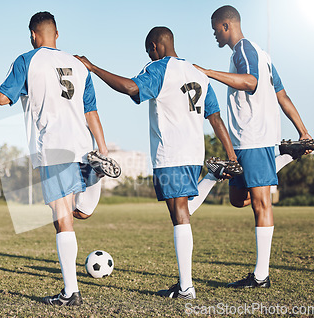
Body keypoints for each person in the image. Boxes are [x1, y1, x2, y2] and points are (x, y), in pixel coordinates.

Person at [0, 11, 114, 306]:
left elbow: (4, 98)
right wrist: (103, 148)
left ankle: (71, 293)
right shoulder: (78, 65)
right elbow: (90, 110)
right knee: (79, 212)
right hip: (84, 145)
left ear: (33, 35)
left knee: (63, 219)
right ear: (57, 34)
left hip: (53, 147)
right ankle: (97, 173)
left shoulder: (27, 60)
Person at [75, 26, 238, 299]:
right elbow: (215, 118)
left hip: (171, 153)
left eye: (148, 51)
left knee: (180, 215)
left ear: (154, 46)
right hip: (193, 153)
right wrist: (231, 155)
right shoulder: (199, 73)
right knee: (181, 211)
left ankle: (186, 287)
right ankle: (211, 176)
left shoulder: (160, 69)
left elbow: (130, 87)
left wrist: (92, 67)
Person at [193, 5, 314, 288]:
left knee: (261, 203)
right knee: (238, 199)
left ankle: (261, 276)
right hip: (244, 142)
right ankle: (285, 155)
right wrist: (303, 132)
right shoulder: (263, 55)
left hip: (255, 139)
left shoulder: (244, 51)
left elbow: (251, 82)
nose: (214, 35)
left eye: (215, 29)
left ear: (226, 26)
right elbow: (281, 95)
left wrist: (208, 72)